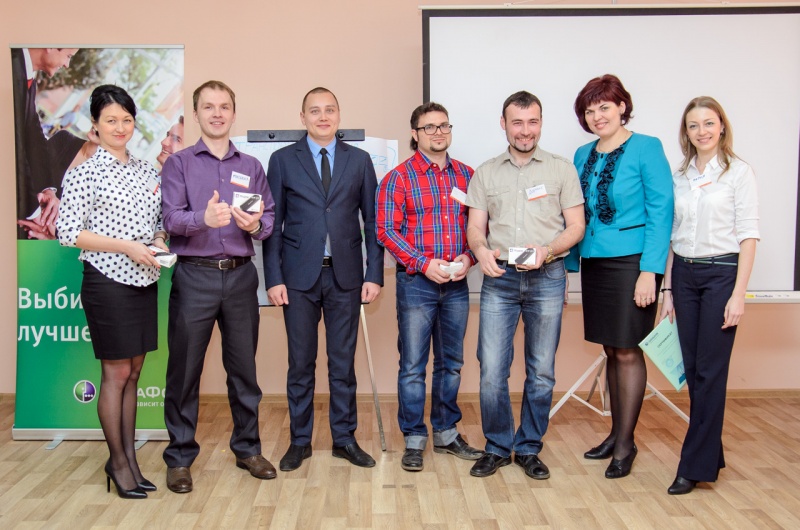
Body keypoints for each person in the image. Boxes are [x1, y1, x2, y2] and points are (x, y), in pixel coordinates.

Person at [161, 80, 276, 493]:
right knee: (184, 372)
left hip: (242, 277)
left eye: (224, 106)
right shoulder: (178, 164)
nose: (217, 113)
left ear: (233, 113)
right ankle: (179, 458)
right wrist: (202, 220)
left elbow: (269, 218)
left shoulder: (252, 166)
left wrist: (256, 225)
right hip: (195, 276)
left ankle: (248, 449)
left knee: (244, 371)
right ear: (196, 114)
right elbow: (169, 218)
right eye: (208, 107)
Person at [56, 84, 169, 499]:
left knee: (134, 372)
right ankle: (118, 464)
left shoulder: (146, 170)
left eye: (126, 119)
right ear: (95, 125)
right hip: (107, 281)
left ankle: (130, 461)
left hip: (144, 280)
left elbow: (159, 221)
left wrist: (158, 240)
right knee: (116, 373)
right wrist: (125, 246)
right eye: (110, 120)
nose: (120, 127)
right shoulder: (85, 171)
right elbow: (67, 232)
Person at [466, 91, 585, 480]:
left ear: (541, 123)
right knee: (491, 370)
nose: (525, 130)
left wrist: (548, 250)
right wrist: (480, 250)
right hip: (499, 279)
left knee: (542, 371)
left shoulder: (561, 170)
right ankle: (498, 447)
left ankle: (530, 447)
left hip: (547, 278)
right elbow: (475, 227)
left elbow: (576, 226)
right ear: (504, 125)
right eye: (517, 122)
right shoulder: (486, 172)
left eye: (532, 121)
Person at [263, 87, 384, 471]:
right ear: (303, 118)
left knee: (342, 365)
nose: (323, 117)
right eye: (314, 111)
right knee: (300, 364)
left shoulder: (359, 160)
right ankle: (300, 441)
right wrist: (273, 278)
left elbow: (373, 223)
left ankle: (344, 439)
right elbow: (273, 225)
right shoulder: (283, 160)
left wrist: (374, 273)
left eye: (329, 110)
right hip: (297, 279)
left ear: (339, 115)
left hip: (346, 277)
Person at [565, 74, 673, 479]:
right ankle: (616, 433)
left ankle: (626, 444)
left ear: (622, 106)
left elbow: (662, 211)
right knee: (611, 349)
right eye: (590, 110)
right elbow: (573, 211)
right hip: (595, 262)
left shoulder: (647, 147)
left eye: (604, 107)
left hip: (633, 264)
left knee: (628, 351)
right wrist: (569, 265)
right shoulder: (582, 153)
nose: (597, 116)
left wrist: (650, 272)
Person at [376, 102, 483, 472]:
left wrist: (468, 258)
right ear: (415, 134)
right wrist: (424, 263)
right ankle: (414, 438)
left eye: (444, 126)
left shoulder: (469, 176)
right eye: (429, 127)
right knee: (412, 366)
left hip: (456, 283)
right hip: (416, 285)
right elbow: (386, 231)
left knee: (451, 364)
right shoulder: (398, 178)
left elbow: (480, 228)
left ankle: (446, 433)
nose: (438, 132)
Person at [660, 97, 759, 495]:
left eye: (708, 123)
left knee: (710, 372)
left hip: (722, 275)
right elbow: (673, 234)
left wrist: (739, 295)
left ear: (722, 126)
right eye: (693, 125)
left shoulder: (738, 172)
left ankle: (693, 466)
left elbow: (749, 236)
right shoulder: (680, 174)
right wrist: (668, 287)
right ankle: (710, 453)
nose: (701, 131)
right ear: (686, 132)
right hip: (684, 274)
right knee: (693, 369)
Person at [12, 47, 94, 239]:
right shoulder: (11, 67)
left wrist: (48, 190)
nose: (67, 64)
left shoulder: (26, 77)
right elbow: (15, 148)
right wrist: (38, 215)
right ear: (50, 47)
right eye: (68, 56)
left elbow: (32, 133)